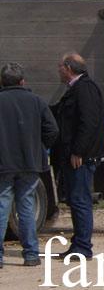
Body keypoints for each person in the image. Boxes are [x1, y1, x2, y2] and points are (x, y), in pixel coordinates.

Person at [0, 63, 59, 268]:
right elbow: (52, 130)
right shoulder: (36, 101)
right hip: (31, 163)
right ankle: (31, 255)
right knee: (25, 209)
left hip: (4, 164)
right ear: (22, 81)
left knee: (2, 207)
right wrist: (39, 147)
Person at [51, 53, 104, 260]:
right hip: (73, 155)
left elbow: (89, 123)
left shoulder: (85, 89)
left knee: (80, 200)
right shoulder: (75, 90)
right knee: (76, 200)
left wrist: (78, 151)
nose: (58, 70)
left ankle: (83, 247)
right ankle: (78, 244)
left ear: (68, 68)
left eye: (60, 66)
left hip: (81, 158)